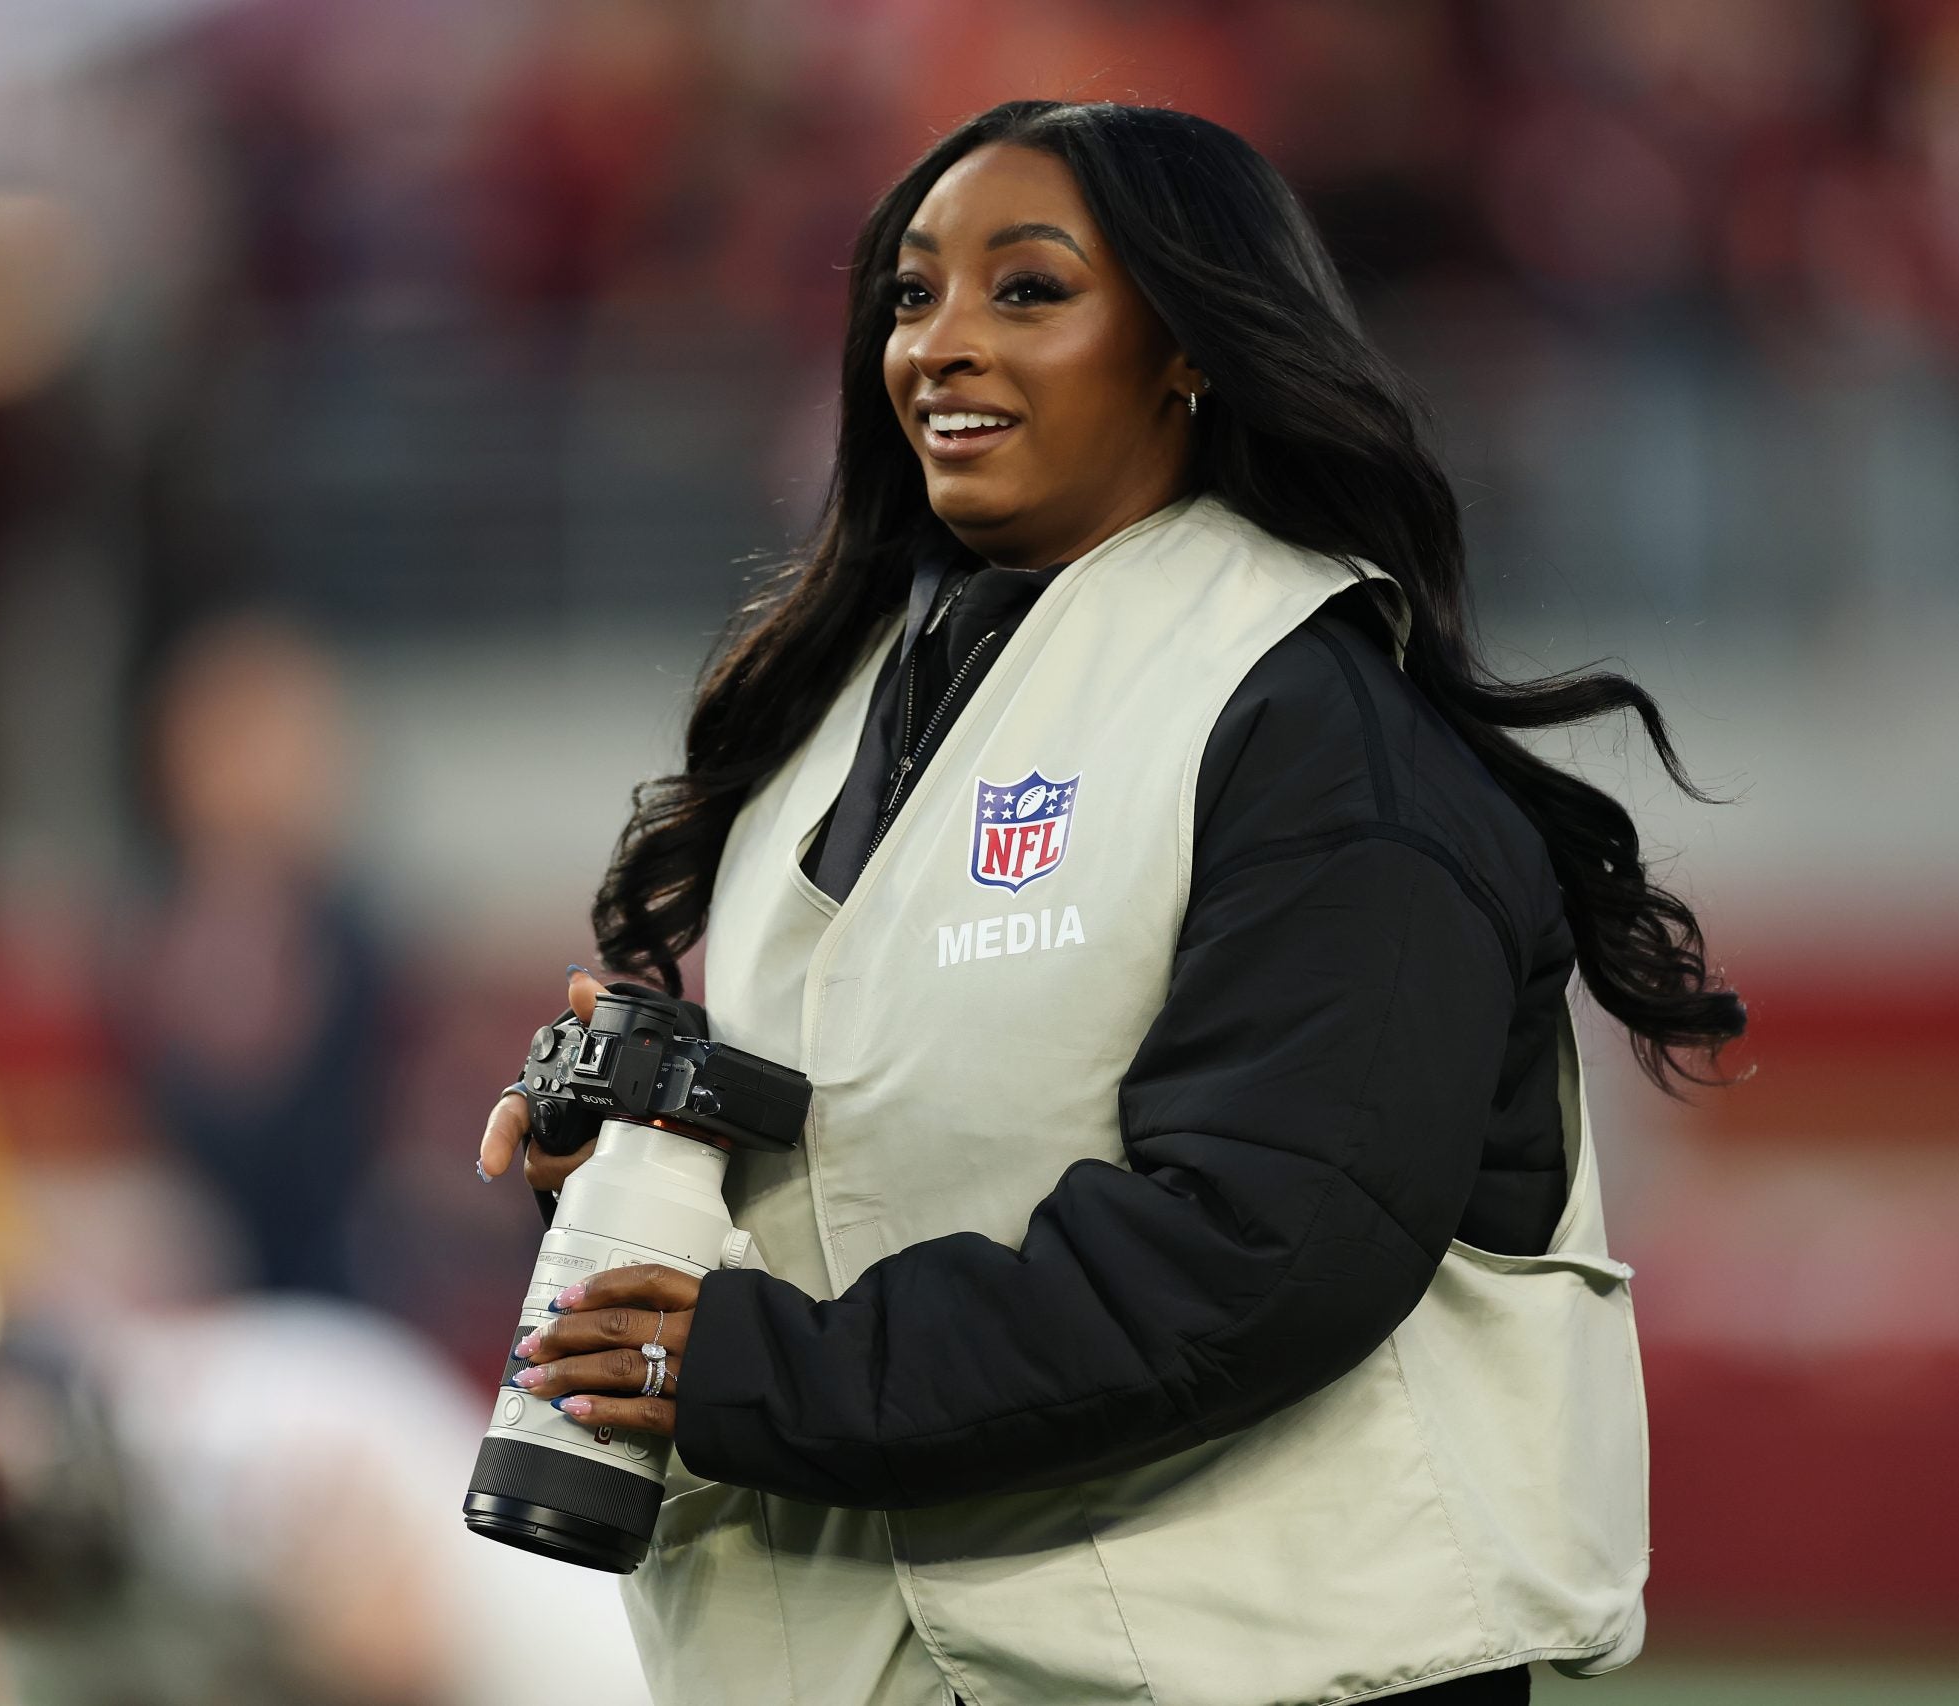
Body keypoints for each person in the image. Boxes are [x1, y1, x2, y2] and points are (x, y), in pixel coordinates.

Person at [474, 101, 1745, 1706]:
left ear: (1188, 347)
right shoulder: (840, 708)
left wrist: (738, 1366)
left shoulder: (1320, 727)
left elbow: (1261, 1250)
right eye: (913, 295)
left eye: (1026, 290)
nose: (940, 343)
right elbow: (885, 1152)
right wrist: (645, 1154)